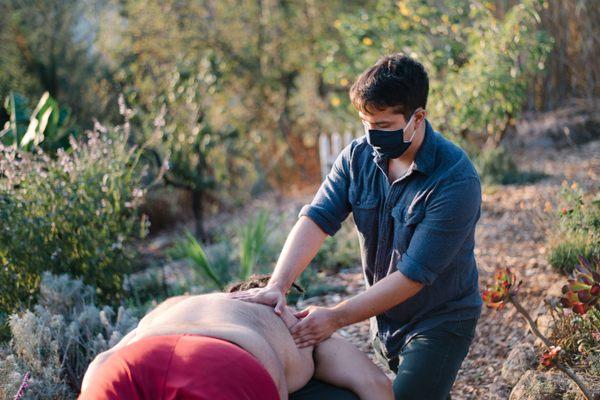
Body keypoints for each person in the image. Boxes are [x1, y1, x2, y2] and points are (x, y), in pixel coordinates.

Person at [231, 53, 483, 400]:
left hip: (438, 320)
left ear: (418, 117)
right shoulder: (357, 157)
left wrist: (335, 317)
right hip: (382, 315)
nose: (372, 134)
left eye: (384, 125)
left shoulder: (454, 180)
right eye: (366, 123)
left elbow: (413, 275)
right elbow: (317, 218)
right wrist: (278, 284)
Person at [79, 275, 392, 400]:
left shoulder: (175, 305)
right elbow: (375, 383)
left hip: (127, 364)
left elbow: (100, 363)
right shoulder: (294, 322)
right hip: (223, 366)